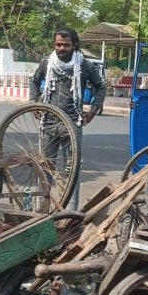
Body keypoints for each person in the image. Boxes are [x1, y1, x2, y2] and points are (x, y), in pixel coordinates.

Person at [30, 27, 106, 209]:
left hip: (72, 123)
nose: (61, 48)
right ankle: (42, 212)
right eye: (58, 44)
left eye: (66, 45)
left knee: (72, 171)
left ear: (75, 45)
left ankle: (69, 215)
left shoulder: (84, 65)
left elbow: (100, 86)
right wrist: (34, 101)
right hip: (48, 122)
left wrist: (94, 109)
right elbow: (33, 80)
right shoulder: (47, 62)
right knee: (44, 169)